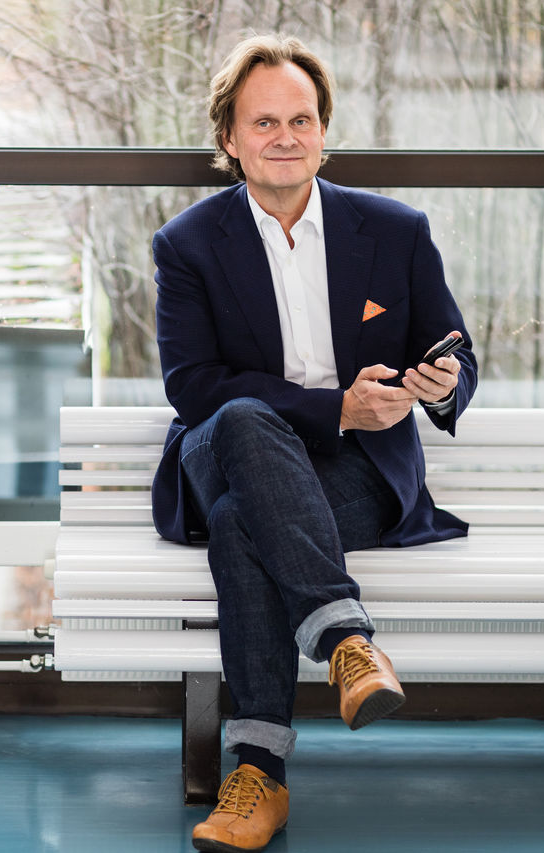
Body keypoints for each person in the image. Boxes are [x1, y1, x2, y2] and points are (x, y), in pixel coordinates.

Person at [150, 33, 478, 853]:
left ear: (324, 130)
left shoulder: (395, 230)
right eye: (264, 123)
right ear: (229, 140)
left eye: (301, 119)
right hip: (225, 443)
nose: (285, 137)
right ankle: (346, 642)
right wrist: (334, 409)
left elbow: (454, 347)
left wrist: (446, 383)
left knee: (240, 524)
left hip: (355, 474)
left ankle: (259, 771)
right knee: (244, 422)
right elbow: (194, 387)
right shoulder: (187, 244)